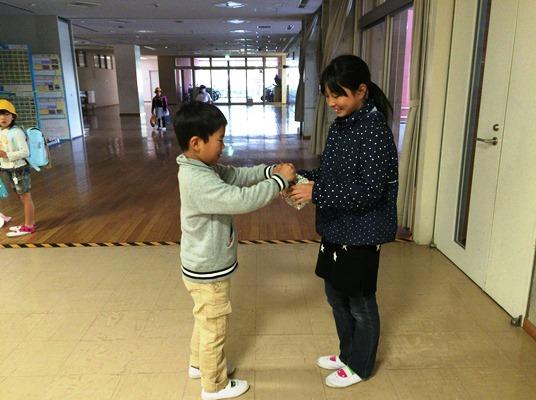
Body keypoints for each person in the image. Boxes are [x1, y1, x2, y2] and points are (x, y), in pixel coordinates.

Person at [289, 55, 398, 388]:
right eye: (327, 95)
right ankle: (348, 352)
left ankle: (360, 365)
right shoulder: (342, 125)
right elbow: (331, 175)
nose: (332, 102)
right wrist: (300, 177)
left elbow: (369, 191)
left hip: (362, 231)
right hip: (338, 226)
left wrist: (316, 192)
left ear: (361, 91)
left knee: (360, 302)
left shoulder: (374, 131)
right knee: (335, 294)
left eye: (338, 94)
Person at [174, 101, 295, 400]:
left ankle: (199, 365)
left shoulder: (202, 167)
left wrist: (268, 171)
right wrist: (279, 181)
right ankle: (214, 385)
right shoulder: (198, 180)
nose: (223, 146)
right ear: (196, 143)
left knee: (205, 319)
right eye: (220, 140)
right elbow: (241, 199)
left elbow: (237, 176)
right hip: (208, 269)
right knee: (214, 327)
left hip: (201, 264)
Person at [0, 99, 37, 237]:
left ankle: (29, 226)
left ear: (13, 116)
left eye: (6, 114)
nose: (3, 117)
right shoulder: (1, 131)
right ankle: (30, 222)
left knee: (25, 197)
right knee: (21, 197)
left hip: (19, 169)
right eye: (0, 114)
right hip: (8, 169)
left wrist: (6, 155)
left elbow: (25, 152)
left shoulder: (16, 132)